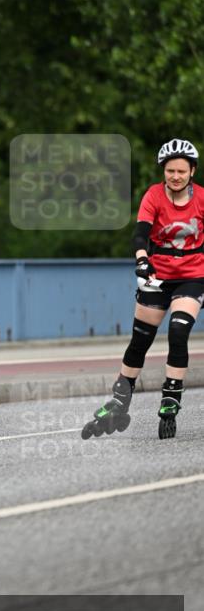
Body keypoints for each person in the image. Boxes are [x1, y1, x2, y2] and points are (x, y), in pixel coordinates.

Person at [82, 138, 203, 440]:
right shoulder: (153, 195)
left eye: (181, 171)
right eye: (170, 171)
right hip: (158, 275)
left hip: (193, 275)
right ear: (163, 171)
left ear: (192, 172)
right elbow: (140, 235)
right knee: (140, 340)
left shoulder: (201, 198)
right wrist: (142, 261)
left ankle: (170, 400)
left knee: (178, 331)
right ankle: (120, 401)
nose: (175, 176)